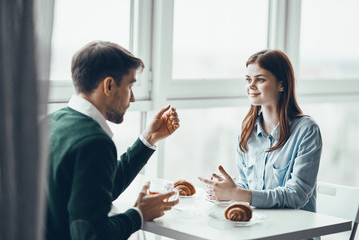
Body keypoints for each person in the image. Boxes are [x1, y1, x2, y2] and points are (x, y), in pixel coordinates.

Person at [45, 41, 180, 240]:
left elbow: (97, 191)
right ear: (109, 85)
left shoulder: (51, 122)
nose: (132, 98)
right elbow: (92, 236)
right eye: (130, 85)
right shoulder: (94, 142)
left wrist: (149, 139)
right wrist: (138, 215)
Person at [199, 49, 322, 213]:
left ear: (282, 84)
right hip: (259, 227)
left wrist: (238, 193)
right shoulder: (247, 132)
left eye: (260, 79)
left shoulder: (307, 130)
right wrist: (228, 189)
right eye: (248, 79)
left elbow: (296, 195)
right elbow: (247, 187)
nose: (251, 85)